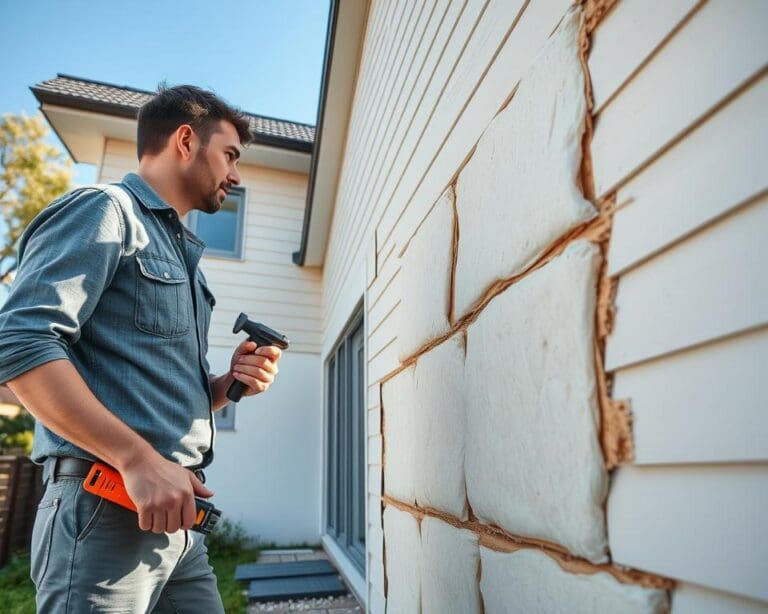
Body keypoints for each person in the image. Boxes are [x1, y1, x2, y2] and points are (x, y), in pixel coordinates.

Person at [0, 85, 282, 612]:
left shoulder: (185, 261)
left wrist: (223, 387)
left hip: (178, 524)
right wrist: (135, 458)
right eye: (230, 155)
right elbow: (20, 342)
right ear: (185, 141)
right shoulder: (105, 211)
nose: (236, 175)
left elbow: (143, 386)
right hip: (103, 511)